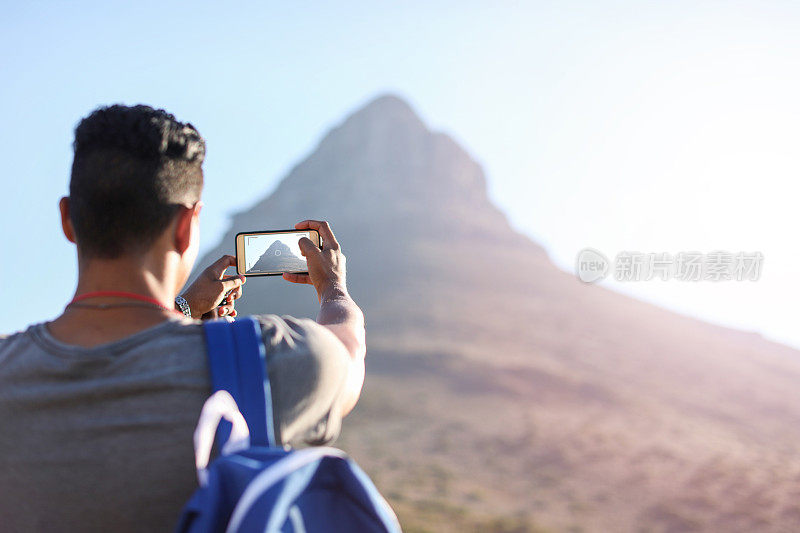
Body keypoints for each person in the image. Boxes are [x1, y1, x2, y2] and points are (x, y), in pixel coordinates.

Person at [0, 105, 366, 531]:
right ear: (186, 227)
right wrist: (333, 287)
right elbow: (348, 353)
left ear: (68, 220)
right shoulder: (262, 361)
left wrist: (186, 309)